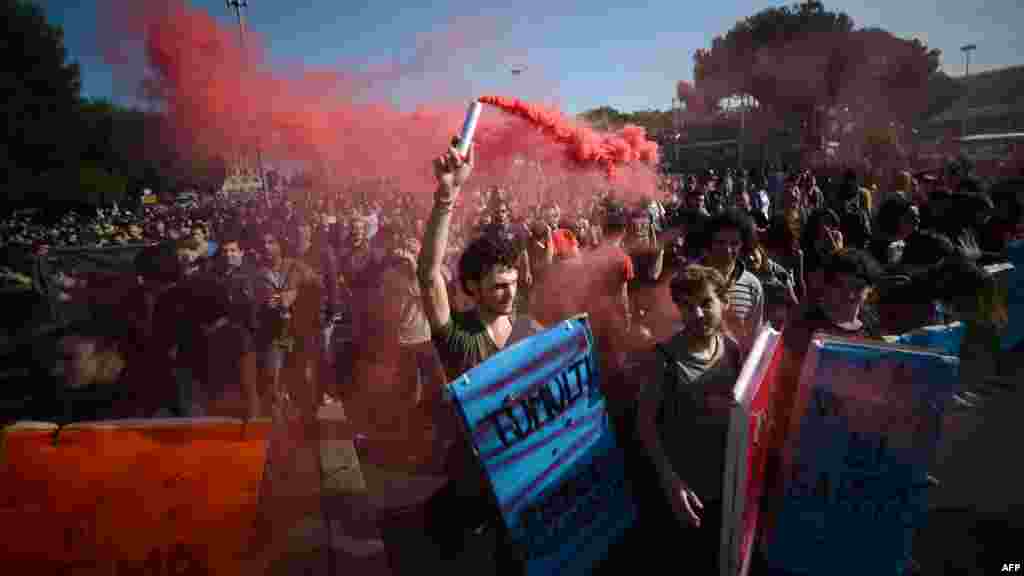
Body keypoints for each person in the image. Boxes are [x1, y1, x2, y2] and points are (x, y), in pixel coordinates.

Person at [417, 140, 520, 571]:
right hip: (475, 483)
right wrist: (447, 195)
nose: (510, 292)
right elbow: (427, 275)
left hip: (523, 481)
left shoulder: (532, 329)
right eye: (499, 285)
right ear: (473, 288)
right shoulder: (459, 336)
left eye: (514, 281)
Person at [634, 265, 745, 573]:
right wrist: (671, 482)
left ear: (723, 301)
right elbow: (645, 425)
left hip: (725, 489)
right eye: (686, 306)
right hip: (686, 495)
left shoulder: (732, 351)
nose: (696, 314)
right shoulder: (665, 359)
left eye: (705, 303)